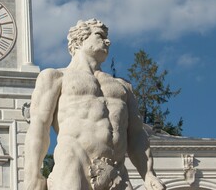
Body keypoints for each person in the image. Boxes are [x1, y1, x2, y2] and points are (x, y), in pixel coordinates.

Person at [24, 19, 165, 190]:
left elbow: (136, 136)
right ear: (80, 39)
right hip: (74, 161)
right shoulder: (55, 77)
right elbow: (39, 127)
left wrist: (148, 173)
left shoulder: (123, 87)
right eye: (100, 35)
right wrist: (33, 177)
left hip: (117, 171)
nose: (108, 41)